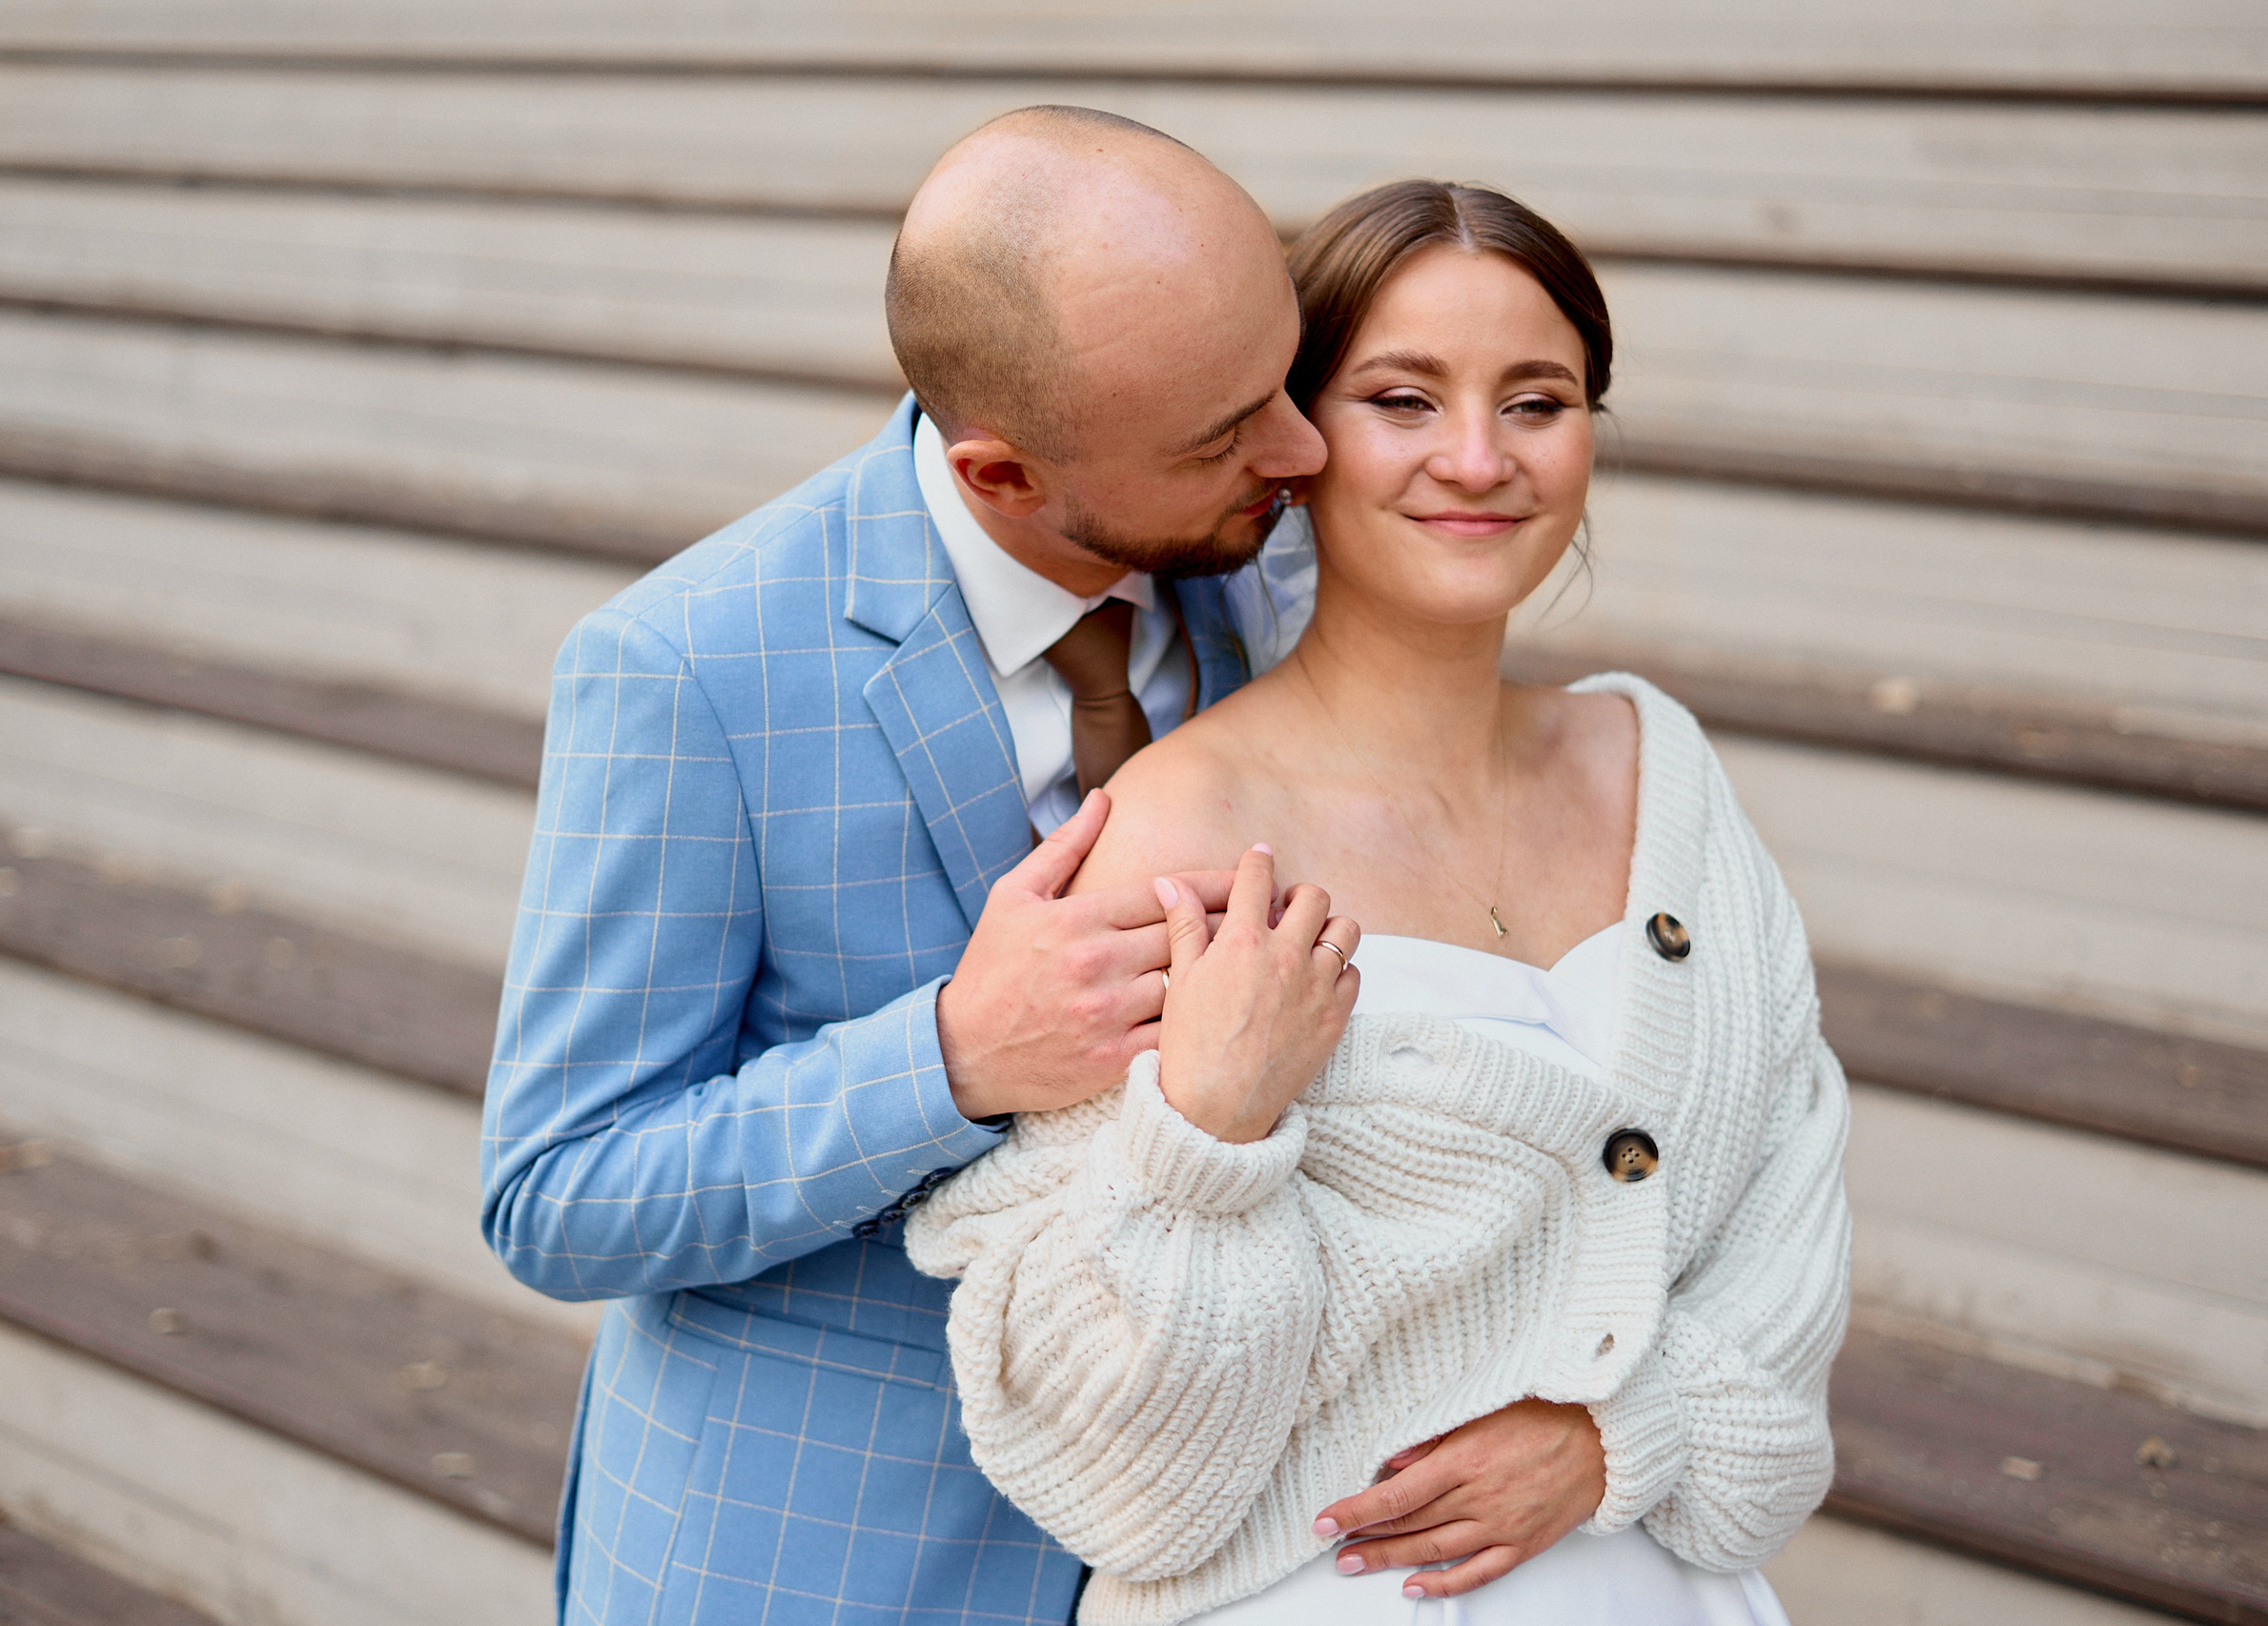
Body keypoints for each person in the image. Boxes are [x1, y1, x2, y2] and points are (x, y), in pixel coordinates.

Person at [480, 111, 1611, 1625]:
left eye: (1284, 378)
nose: (1302, 448)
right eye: (1224, 435)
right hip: (828, 1562)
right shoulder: (689, 669)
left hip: (1237, 1550)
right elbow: (558, 1193)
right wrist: (947, 1056)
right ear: (1005, 472)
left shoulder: (1283, 563)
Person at [906, 181, 1852, 1624]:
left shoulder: (1658, 769)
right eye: (1403, 399)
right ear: (1294, 441)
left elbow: (1794, 1207)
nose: (1477, 459)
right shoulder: (1184, 832)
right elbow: (1112, 1466)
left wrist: (1617, 1437)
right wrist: (1205, 1133)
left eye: (1535, 401)